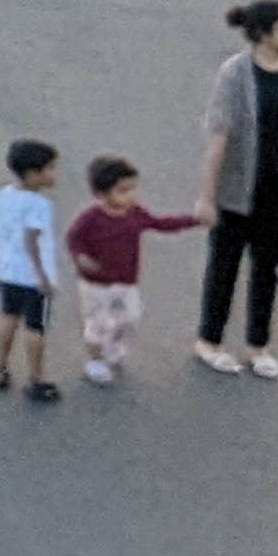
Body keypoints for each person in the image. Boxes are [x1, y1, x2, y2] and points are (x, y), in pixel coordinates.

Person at [195, 0, 278, 378]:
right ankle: (209, 341)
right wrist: (208, 194)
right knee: (225, 265)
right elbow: (220, 134)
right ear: (264, 34)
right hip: (239, 188)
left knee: (268, 268)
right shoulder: (235, 75)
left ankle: (258, 344)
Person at [64, 156, 200, 387]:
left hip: (126, 280)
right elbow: (73, 239)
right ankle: (95, 360)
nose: (131, 195)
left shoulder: (135, 213)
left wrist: (193, 220)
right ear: (101, 194)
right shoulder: (90, 219)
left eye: (132, 189)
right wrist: (81, 258)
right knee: (97, 323)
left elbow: (160, 223)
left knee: (130, 316)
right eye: (123, 190)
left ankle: (113, 341)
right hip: (95, 284)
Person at [0, 139, 62, 401]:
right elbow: (32, 240)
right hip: (32, 277)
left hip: (8, 271)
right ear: (33, 174)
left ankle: (0, 367)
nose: (54, 174)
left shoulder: (4, 194)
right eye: (49, 169)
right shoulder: (40, 205)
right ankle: (36, 378)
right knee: (35, 328)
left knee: (8, 317)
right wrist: (43, 276)